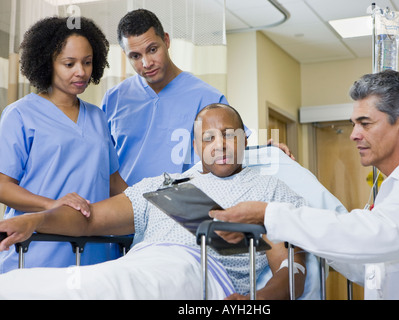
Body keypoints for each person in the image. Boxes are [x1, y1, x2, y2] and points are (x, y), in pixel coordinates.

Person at [0, 104, 306, 300]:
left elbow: (291, 268)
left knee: (97, 290)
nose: (220, 145)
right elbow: (89, 218)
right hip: (139, 264)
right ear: (196, 147)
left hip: (200, 273)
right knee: (42, 284)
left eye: (229, 135)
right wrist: (36, 220)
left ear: (245, 139)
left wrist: (256, 302)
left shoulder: (269, 190)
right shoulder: (164, 186)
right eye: (209, 138)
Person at [210, 70, 399, 300]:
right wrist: (278, 165)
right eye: (354, 124)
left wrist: (267, 214)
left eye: (365, 123)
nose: (353, 134)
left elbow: (373, 236)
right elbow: (366, 266)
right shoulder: (398, 184)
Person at [102, 9, 294, 186]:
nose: (146, 63)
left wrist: (265, 152)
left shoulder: (207, 97)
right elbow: (101, 158)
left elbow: (226, 152)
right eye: (135, 56)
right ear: (125, 55)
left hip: (180, 206)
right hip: (125, 207)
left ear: (166, 41)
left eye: (153, 49)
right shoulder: (114, 99)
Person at [0, 17, 127, 273]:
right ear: (48, 62)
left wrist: (153, 201)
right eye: (69, 64)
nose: (81, 71)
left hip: (95, 254)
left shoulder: (98, 117)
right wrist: (52, 205)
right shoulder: (20, 115)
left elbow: (112, 183)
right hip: (37, 251)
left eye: (87, 62)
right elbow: (2, 186)